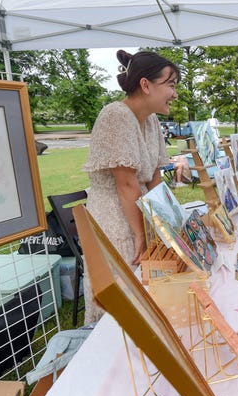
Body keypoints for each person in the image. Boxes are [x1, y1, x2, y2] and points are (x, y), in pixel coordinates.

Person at [82, 49, 180, 324]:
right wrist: (142, 234)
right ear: (145, 85)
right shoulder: (116, 115)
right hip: (116, 220)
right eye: (170, 85)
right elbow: (126, 183)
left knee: (147, 293)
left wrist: (165, 224)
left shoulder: (151, 121)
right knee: (124, 296)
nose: (174, 94)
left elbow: (155, 178)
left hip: (138, 212)